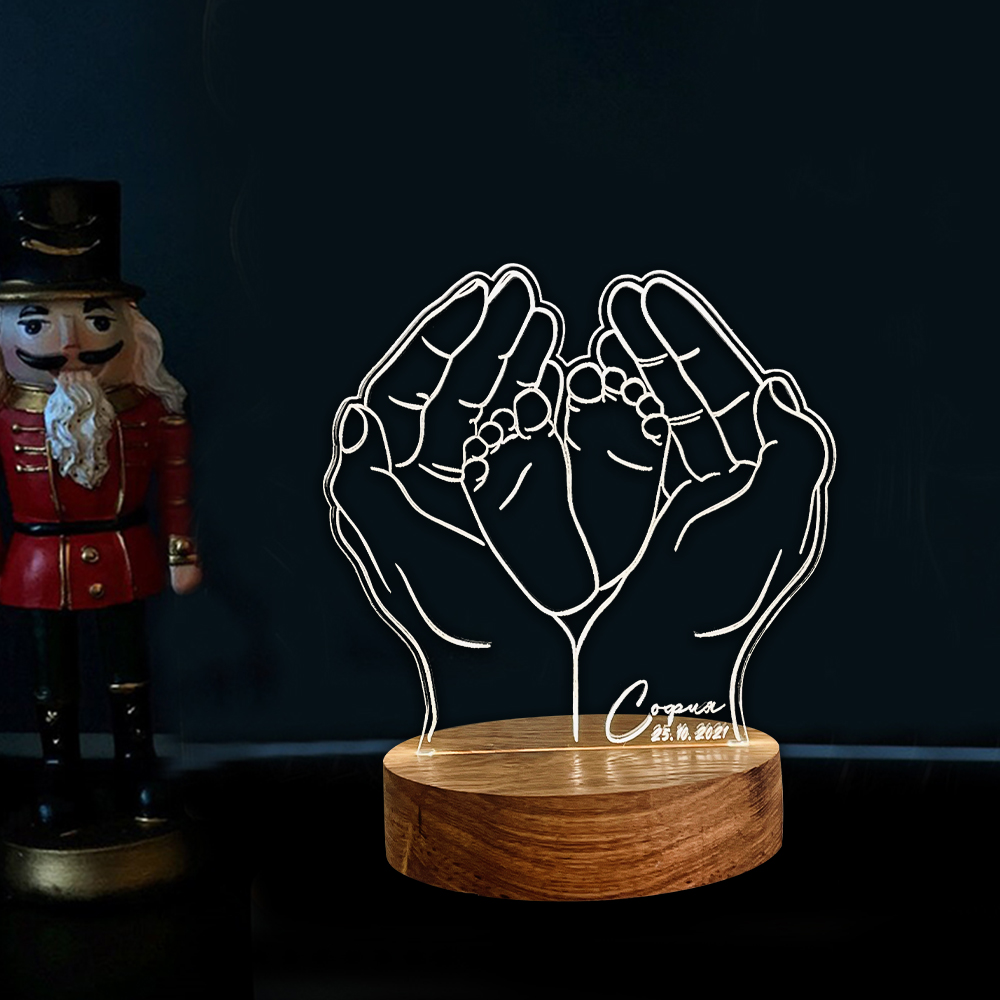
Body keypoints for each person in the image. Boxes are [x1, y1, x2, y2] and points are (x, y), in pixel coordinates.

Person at [0, 179, 200, 827]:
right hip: (37, 565)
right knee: (51, 678)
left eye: (96, 319)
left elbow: (176, 485)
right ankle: (58, 772)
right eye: (37, 323)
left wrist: (181, 551)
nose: (69, 343)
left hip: (124, 551)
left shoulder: (149, 413)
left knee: (130, 670)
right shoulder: (7, 417)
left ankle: (136, 763)